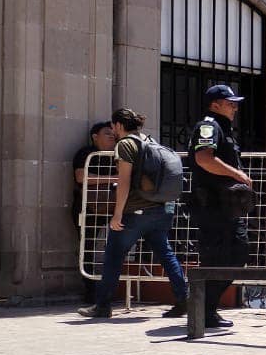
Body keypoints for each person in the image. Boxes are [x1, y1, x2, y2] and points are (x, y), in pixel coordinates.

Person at [79, 109, 189, 320]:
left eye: (113, 127)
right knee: (165, 254)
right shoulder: (149, 140)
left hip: (136, 212)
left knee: (113, 256)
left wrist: (117, 214)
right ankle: (183, 299)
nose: (113, 132)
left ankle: (102, 306)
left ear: (119, 125)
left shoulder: (126, 144)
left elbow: (124, 181)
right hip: (161, 209)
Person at [188, 84, 254, 329]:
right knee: (218, 258)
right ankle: (202, 310)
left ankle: (206, 308)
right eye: (230, 103)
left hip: (227, 207)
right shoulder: (208, 126)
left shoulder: (223, 128)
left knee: (237, 254)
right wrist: (237, 174)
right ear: (215, 104)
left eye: (236, 103)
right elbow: (203, 158)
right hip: (212, 206)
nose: (235, 107)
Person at [72, 120, 118, 302]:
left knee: (114, 246)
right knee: (87, 247)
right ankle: (91, 291)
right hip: (88, 208)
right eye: (107, 133)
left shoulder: (118, 154)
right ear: (95, 137)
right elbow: (81, 177)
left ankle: (110, 288)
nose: (112, 137)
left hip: (114, 207)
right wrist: (114, 178)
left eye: (113, 133)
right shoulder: (86, 153)